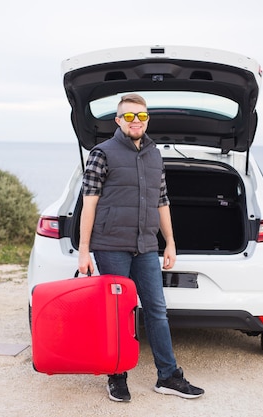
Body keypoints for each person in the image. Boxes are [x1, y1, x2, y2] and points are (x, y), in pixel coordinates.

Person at [78, 93, 205, 402]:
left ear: (147, 119)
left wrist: (170, 242)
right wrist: (84, 250)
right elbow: (89, 203)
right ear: (119, 121)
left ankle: (168, 376)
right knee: (118, 314)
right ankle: (116, 376)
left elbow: (162, 201)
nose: (137, 121)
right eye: (130, 116)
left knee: (157, 310)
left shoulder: (154, 155)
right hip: (110, 245)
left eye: (142, 116)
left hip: (146, 245)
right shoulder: (101, 153)